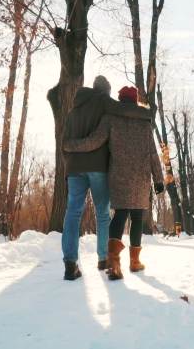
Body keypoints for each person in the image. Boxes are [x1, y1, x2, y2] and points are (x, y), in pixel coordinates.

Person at [64, 86, 165, 281]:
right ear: (135, 101)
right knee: (137, 216)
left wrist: (72, 145)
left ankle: (114, 264)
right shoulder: (145, 123)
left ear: (119, 100)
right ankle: (135, 262)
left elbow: (94, 141)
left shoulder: (111, 119)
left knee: (119, 215)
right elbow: (153, 153)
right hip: (141, 176)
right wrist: (159, 179)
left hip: (118, 175)